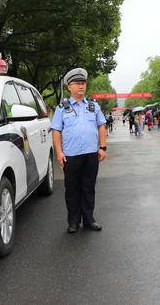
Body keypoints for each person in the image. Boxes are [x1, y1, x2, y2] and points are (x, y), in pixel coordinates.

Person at [51, 68, 107, 234]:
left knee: (89, 187)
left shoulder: (93, 105)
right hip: (71, 156)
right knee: (72, 189)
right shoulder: (62, 108)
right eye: (77, 84)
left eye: (83, 83)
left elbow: (101, 125)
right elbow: (56, 131)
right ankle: (73, 221)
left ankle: (89, 219)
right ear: (69, 87)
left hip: (91, 154)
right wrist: (59, 152)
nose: (81, 87)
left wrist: (102, 147)